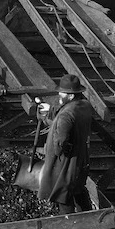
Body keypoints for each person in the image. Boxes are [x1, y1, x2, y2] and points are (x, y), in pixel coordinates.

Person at [37, 74, 93, 215]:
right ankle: (88, 218)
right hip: (82, 157)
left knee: (63, 193)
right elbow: (70, 116)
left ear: (71, 96)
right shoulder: (84, 105)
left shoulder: (65, 116)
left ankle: (69, 224)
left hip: (67, 161)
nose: (59, 94)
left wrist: (53, 148)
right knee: (78, 188)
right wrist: (51, 111)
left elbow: (59, 144)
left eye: (63, 93)